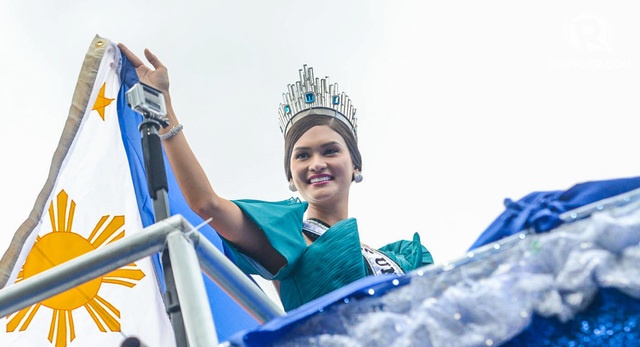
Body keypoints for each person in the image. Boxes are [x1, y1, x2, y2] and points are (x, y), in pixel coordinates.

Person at [118, 44, 434, 312]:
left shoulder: (399, 257)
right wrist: (165, 111)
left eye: (330, 151)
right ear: (291, 176)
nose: (317, 164)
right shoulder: (288, 233)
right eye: (303, 156)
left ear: (355, 166)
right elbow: (207, 204)